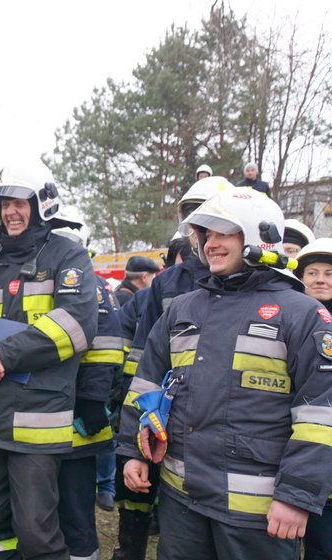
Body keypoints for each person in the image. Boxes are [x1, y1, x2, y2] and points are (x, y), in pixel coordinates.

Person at [120, 188, 332, 559]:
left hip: (258, 515)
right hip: (182, 503)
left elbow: (327, 418)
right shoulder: (182, 309)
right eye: (206, 234)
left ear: (257, 235)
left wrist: (296, 496)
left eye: (223, 233)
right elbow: (147, 384)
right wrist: (133, 450)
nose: (210, 243)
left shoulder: (304, 316)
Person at [0, 164, 98, 560]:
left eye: (18, 203)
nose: (9, 212)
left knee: (35, 531)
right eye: (3, 204)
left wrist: (0, 355)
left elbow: (76, 325)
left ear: (41, 204)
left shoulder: (68, 254)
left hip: (36, 421)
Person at [113, 175, 232, 560]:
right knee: (139, 493)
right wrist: (130, 407)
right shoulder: (166, 283)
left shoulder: (247, 283)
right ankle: (129, 550)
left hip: (217, 422)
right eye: (193, 216)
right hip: (160, 413)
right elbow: (145, 353)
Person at [52, 218, 125, 560]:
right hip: (36, 413)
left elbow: (107, 345)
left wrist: (93, 400)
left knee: (76, 509)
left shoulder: (92, 286)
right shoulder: (32, 282)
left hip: (78, 415)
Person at [295, 238, 332, 560]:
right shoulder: (286, 321)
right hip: (290, 456)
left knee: (328, 548)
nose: (320, 279)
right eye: (313, 272)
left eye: (330, 274)